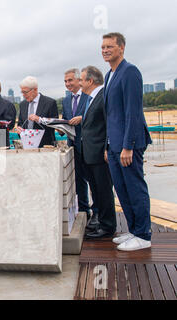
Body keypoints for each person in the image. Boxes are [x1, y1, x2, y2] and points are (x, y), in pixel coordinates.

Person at [102, 32, 153, 251]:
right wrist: (107, 145)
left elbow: (133, 112)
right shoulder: (109, 75)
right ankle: (133, 229)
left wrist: (128, 146)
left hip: (127, 144)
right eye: (103, 47)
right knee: (121, 190)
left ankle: (143, 234)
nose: (105, 50)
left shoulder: (130, 72)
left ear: (121, 48)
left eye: (110, 47)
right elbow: (110, 114)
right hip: (113, 144)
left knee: (134, 188)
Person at [79, 66, 117, 239]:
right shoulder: (91, 99)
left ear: (90, 81)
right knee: (96, 190)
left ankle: (108, 227)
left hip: (100, 154)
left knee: (104, 191)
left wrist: (107, 148)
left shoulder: (103, 97)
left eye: (81, 80)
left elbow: (109, 125)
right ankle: (101, 222)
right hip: (90, 154)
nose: (79, 83)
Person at [62, 69, 98, 228]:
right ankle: (84, 210)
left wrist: (82, 118)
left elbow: (97, 115)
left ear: (80, 80)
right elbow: (65, 119)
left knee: (95, 180)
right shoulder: (66, 100)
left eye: (70, 80)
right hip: (73, 145)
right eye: (65, 81)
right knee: (78, 180)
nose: (68, 84)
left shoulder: (89, 96)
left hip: (89, 145)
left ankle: (97, 211)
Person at [17, 76, 58, 147]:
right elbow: (20, 123)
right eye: (22, 92)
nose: (23, 95)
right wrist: (19, 130)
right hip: (27, 146)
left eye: (25, 92)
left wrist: (39, 119)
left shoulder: (50, 103)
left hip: (46, 147)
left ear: (35, 90)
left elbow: (55, 123)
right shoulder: (22, 105)